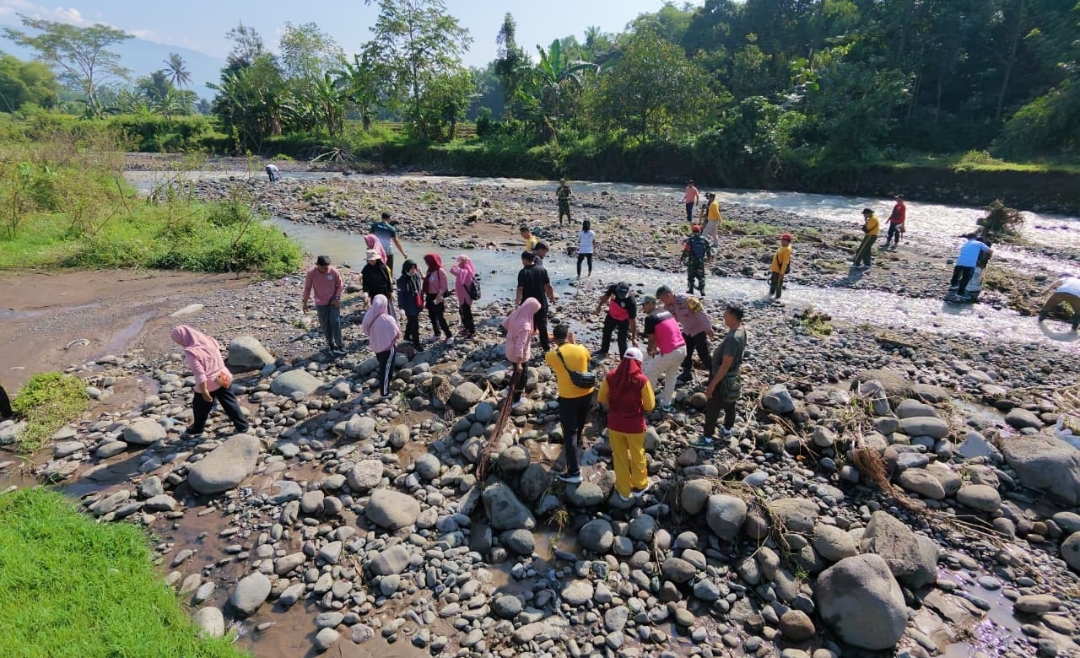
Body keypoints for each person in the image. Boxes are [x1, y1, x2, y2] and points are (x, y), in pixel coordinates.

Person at [598, 346, 655, 502]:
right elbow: (650, 406)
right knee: (638, 455)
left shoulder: (611, 376)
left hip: (615, 425)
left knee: (620, 457)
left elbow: (602, 397)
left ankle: (623, 490)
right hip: (635, 426)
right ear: (638, 362)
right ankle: (640, 485)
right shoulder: (641, 380)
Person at [170, 325, 249, 439]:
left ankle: (198, 428)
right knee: (229, 402)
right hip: (223, 374)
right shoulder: (209, 339)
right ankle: (242, 425)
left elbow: (200, 374)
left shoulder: (192, 352)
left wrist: (204, 391)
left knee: (199, 406)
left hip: (210, 382)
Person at [694, 304, 747, 451]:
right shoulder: (741, 331)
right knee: (730, 403)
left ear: (733, 317)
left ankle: (707, 439)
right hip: (733, 376)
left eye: (726, 315)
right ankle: (727, 431)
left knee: (713, 408)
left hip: (722, 378)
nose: (723, 317)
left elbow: (725, 365)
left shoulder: (732, 338)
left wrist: (712, 384)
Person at [545, 325, 594, 484]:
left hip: (569, 397)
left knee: (569, 431)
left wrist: (558, 346)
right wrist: (575, 342)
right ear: (568, 335)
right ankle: (577, 443)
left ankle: (574, 472)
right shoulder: (581, 348)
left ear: (554, 338)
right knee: (580, 423)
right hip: (587, 392)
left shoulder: (553, 355)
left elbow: (550, 360)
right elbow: (588, 358)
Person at [657, 285, 714, 384]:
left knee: (703, 353)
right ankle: (687, 373)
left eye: (662, 299)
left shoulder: (688, 300)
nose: (662, 302)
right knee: (686, 352)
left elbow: (700, 313)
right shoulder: (668, 306)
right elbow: (670, 321)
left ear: (668, 295)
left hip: (699, 328)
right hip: (687, 330)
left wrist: (708, 329)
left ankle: (714, 373)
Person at [641, 294, 687, 413]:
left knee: (650, 373)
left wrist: (650, 351)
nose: (642, 308)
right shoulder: (666, 312)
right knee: (671, 376)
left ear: (651, 304)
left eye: (644, 305)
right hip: (682, 348)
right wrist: (655, 349)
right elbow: (663, 333)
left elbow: (652, 339)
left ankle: (648, 401)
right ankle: (666, 405)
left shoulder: (650, 318)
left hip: (671, 351)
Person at [302, 255, 345, 355]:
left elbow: (340, 285)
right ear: (317, 265)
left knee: (335, 322)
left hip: (333, 301)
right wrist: (305, 302)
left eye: (327, 268)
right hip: (321, 303)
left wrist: (337, 298)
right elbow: (307, 288)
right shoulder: (311, 273)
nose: (325, 270)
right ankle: (330, 344)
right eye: (323, 268)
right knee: (325, 325)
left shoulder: (334, 272)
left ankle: (340, 344)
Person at [503, 298, 541, 408]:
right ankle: (516, 399)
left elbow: (504, 324)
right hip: (519, 356)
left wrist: (513, 333)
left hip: (509, 349)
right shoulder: (525, 325)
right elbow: (521, 345)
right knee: (522, 374)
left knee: (515, 371)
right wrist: (519, 362)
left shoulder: (516, 313)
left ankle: (509, 388)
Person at [516, 251, 556, 353]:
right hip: (541, 302)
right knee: (542, 325)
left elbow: (520, 289)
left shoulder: (523, 272)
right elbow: (548, 286)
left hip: (527, 304)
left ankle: (526, 345)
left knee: (527, 324)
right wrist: (551, 297)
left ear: (524, 259)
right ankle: (546, 348)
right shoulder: (542, 270)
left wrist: (517, 302)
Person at [362, 295, 402, 396]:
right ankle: (384, 392)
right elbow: (397, 333)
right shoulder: (388, 319)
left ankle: (387, 383)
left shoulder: (368, 315)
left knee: (383, 365)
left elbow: (365, 331)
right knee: (386, 368)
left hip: (377, 346)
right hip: (388, 348)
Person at [595, 281, 638, 358]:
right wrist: (599, 306)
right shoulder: (613, 288)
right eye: (620, 295)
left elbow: (632, 320)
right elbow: (606, 296)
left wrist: (634, 338)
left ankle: (623, 359)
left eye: (623, 295)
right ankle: (604, 350)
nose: (621, 297)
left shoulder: (631, 301)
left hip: (623, 319)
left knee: (622, 340)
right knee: (606, 332)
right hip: (612, 315)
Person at [422, 253, 453, 343]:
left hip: (437, 296)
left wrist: (439, 294)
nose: (426, 263)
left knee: (440, 317)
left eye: (427, 261)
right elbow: (428, 280)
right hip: (429, 296)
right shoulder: (430, 270)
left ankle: (449, 335)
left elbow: (444, 285)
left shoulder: (440, 271)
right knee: (432, 317)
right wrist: (421, 274)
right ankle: (437, 333)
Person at [396, 259, 424, 346]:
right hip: (408, 306)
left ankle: (407, 336)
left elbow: (419, 288)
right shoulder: (401, 280)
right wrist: (401, 308)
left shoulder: (416, 276)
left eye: (414, 268)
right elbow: (400, 296)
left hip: (417, 303)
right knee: (415, 325)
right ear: (406, 269)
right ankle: (417, 344)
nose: (413, 270)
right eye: (411, 268)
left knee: (411, 321)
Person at [450, 254, 477, 339]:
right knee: (462, 312)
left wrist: (459, 263)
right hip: (465, 297)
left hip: (464, 298)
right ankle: (466, 328)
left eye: (459, 261)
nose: (458, 263)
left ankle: (471, 332)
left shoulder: (463, 272)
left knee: (466, 314)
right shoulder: (468, 271)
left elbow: (452, 269)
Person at [682, 225, 712, 295]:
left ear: (692, 231)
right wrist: (709, 258)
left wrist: (683, 258)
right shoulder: (704, 239)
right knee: (701, 276)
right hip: (701, 261)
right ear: (700, 231)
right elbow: (708, 250)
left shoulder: (690, 240)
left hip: (692, 261)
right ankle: (702, 291)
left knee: (691, 276)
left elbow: (686, 250)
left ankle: (690, 290)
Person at [769, 233, 793, 300]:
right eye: (781, 240)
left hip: (779, 271)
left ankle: (777, 298)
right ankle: (770, 295)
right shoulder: (782, 247)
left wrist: (781, 273)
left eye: (783, 240)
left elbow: (785, 262)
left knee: (778, 285)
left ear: (787, 241)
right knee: (773, 283)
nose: (781, 241)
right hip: (775, 269)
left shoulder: (787, 249)